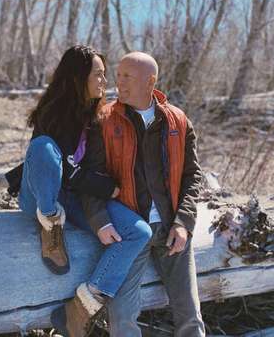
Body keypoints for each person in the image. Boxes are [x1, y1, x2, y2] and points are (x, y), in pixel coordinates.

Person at [14, 46, 152, 336]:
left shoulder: (97, 117)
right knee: (42, 148)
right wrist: (105, 187)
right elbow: (62, 169)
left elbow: (87, 171)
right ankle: (50, 225)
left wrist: (103, 202)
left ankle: (82, 308)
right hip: (39, 196)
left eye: (104, 75)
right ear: (79, 78)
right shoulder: (52, 113)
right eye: (98, 75)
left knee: (139, 232)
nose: (104, 81)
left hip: (75, 198)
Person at [81, 51, 206, 336]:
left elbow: (192, 176)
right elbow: (91, 180)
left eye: (128, 77)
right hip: (129, 233)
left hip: (171, 230)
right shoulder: (104, 120)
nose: (119, 82)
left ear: (150, 82)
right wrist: (100, 220)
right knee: (122, 319)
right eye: (119, 74)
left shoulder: (178, 121)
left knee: (191, 315)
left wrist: (183, 223)